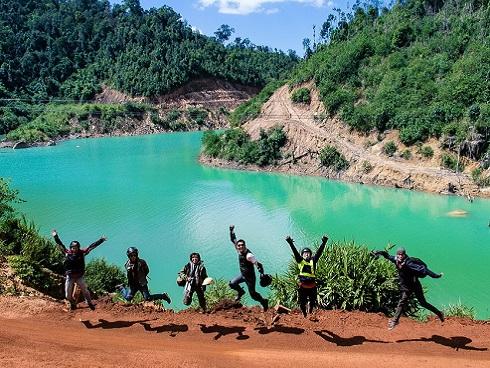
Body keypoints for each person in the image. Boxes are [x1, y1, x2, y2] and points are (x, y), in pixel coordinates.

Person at [372, 247, 444, 330]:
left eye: (401, 254)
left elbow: (424, 270)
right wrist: (379, 252)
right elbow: (387, 256)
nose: (399, 256)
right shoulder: (396, 260)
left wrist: (435, 276)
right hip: (406, 286)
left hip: (415, 285)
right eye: (398, 254)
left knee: (423, 303)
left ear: (404, 254)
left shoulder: (409, 263)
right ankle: (395, 321)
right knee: (402, 301)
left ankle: (439, 313)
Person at [52, 229, 107, 311]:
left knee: (85, 290)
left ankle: (89, 302)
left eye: (76, 247)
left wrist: (101, 240)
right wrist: (55, 236)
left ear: (78, 247)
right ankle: (72, 303)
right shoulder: (67, 253)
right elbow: (60, 244)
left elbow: (91, 246)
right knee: (67, 296)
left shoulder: (82, 253)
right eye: (73, 248)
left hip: (79, 276)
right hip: (70, 277)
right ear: (70, 248)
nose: (74, 249)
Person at [285, 234, 328, 318]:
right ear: (302, 255)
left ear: (310, 254)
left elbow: (319, 252)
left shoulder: (313, 260)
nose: (307, 255)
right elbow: (295, 252)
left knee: (313, 301)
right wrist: (290, 242)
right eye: (305, 254)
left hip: (312, 286)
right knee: (302, 303)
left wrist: (324, 242)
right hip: (303, 287)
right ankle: (304, 313)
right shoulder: (300, 261)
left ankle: (310, 310)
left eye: (308, 253)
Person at [228, 225, 269, 311]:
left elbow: (258, 265)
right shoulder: (239, 250)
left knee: (253, 294)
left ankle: (264, 301)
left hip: (250, 278)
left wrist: (262, 274)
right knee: (232, 283)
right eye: (239, 245)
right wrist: (231, 230)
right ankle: (241, 292)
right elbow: (233, 239)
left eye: (242, 245)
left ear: (245, 245)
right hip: (243, 275)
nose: (240, 247)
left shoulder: (249, 255)